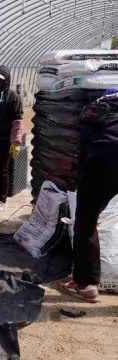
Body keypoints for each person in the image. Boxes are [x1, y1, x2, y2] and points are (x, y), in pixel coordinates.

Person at [58, 87, 118, 303]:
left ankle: (86, 285)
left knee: (85, 224)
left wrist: (83, 179)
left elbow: (83, 148)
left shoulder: (95, 110)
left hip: (102, 161)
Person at [0, 65, 24, 215]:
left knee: (2, 169)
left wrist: (15, 142)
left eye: (0, 80)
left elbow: (17, 121)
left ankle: (1, 200)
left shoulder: (13, 97)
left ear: (7, 81)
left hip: (4, 139)